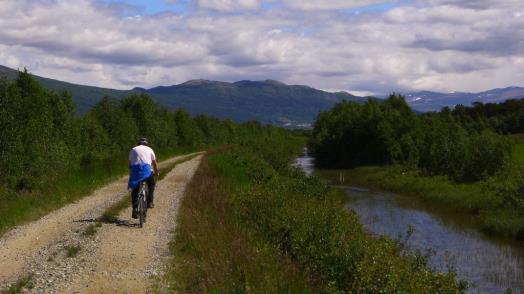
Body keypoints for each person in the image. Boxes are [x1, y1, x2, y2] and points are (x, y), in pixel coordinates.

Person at [128, 137, 159, 218]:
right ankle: (150, 202)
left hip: (136, 172)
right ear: (146, 144)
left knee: (135, 190)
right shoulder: (150, 149)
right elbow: (154, 164)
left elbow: (130, 165)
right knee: (151, 185)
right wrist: (156, 172)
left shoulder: (133, 149)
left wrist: (131, 176)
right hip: (147, 172)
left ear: (138, 143)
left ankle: (134, 209)